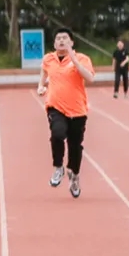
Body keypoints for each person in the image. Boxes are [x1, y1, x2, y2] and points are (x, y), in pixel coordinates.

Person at [37, 29, 95, 198]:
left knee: (75, 146)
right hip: (56, 107)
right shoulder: (48, 59)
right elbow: (43, 76)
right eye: (58, 38)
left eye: (65, 38)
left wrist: (74, 60)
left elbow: (90, 78)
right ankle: (58, 167)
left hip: (77, 110)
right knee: (57, 134)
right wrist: (41, 86)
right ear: (54, 43)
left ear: (71, 42)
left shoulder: (83, 58)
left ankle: (74, 175)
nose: (61, 41)